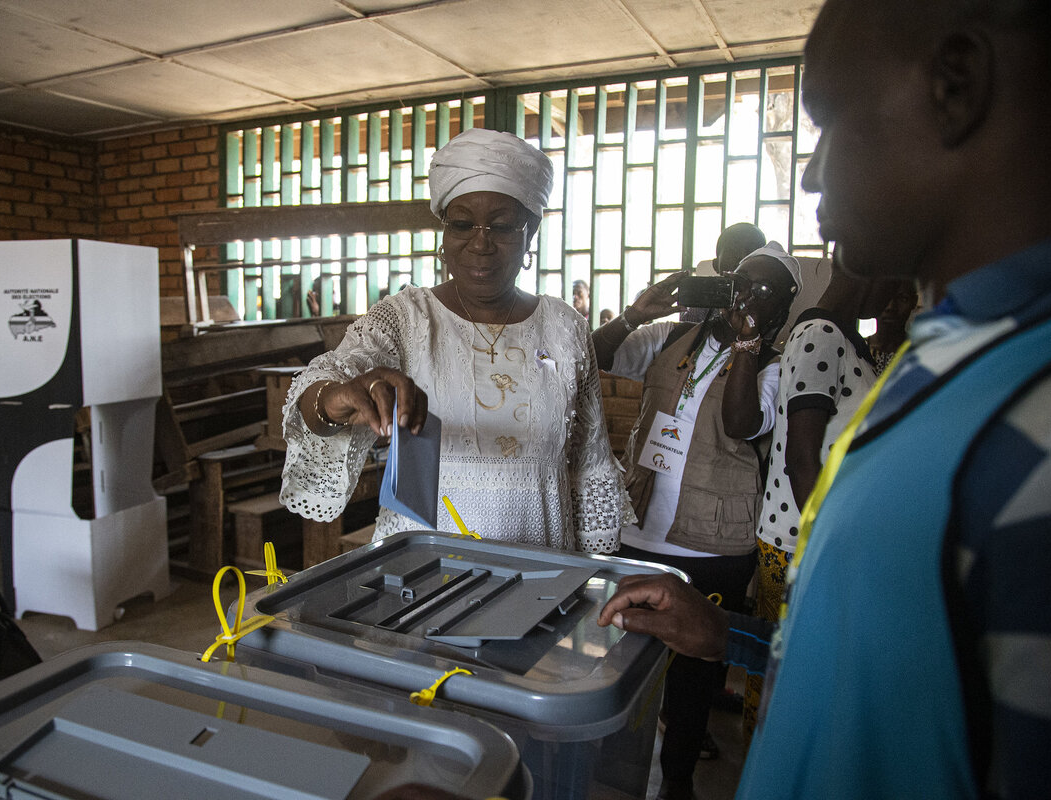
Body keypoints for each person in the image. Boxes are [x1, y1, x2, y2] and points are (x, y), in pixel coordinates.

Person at [597, 0, 1051, 797]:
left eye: (830, 120)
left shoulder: (1034, 423)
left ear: (957, 84)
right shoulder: (937, 365)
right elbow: (884, 669)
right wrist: (728, 636)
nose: (810, 172)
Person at [279, 128, 632, 552]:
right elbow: (324, 389)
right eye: (462, 224)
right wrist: (339, 397)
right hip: (425, 558)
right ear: (444, 235)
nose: (481, 243)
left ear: (530, 234)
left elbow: (587, 457)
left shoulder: (564, 326)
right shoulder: (406, 318)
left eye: (502, 226)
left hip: (541, 554)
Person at [591, 242, 800, 800]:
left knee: (693, 677)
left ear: (781, 310)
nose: (747, 297)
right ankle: (612, 772)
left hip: (714, 543)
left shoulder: (779, 365)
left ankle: (678, 782)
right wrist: (638, 312)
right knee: (618, 661)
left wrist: (748, 342)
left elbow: (741, 422)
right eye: (740, 283)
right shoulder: (670, 338)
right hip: (638, 528)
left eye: (765, 293)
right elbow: (594, 358)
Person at [741, 263, 900, 742]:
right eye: (896, 282)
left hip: (808, 533)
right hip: (800, 540)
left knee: (795, 671)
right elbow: (801, 459)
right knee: (785, 676)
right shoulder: (820, 334)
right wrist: (827, 546)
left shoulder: (838, 335)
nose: (896, 298)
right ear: (868, 268)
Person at [680, 222, 766, 324]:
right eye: (733, 251)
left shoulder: (766, 302)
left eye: (751, 252)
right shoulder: (701, 305)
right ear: (716, 265)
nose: (742, 258)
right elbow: (687, 335)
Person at [865, 280, 918, 374]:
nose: (890, 307)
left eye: (902, 299)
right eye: (883, 298)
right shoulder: (855, 350)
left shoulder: (920, 354)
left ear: (914, 302)